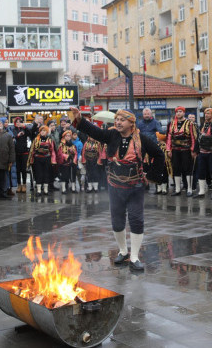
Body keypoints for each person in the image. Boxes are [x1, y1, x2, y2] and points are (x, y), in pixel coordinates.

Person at [69, 106, 165, 272]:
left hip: (135, 186)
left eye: (122, 120)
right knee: (117, 220)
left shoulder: (142, 138)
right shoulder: (111, 134)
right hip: (115, 185)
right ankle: (122, 251)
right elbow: (94, 131)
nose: (118, 122)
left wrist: (150, 175)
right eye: (117, 120)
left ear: (131, 123)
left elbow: (159, 154)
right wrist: (80, 118)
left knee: (136, 220)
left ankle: (134, 257)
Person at [167, 106, 197, 196]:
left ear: (184, 113)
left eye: (180, 111)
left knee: (187, 169)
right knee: (176, 169)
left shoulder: (190, 123)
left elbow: (193, 137)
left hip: (186, 149)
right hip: (175, 150)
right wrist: (168, 149)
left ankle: (189, 189)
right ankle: (177, 189)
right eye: (177, 112)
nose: (178, 113)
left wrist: (193, 150)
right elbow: (169, 137)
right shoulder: (172, 123)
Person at [27, 125, 56, 196]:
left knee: (46, 174)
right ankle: (39, 190)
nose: (43, 132)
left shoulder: (50, 140)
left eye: (44, 131)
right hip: (37, 159)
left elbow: (52, 151)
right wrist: (30, 160)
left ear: (47, 132)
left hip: (47, 158)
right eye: (41, 131)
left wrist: (53, 160)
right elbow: (32, 150)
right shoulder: (36, 140)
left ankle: (46, 190)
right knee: (38, 174)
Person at [0, 120, 15, 199]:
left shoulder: (8, 135)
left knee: (4, 178)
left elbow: (12, 149)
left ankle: (3, 192)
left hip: (5, 160)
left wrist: (11, 160)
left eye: (0, 123)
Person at [82, 120, 105, 192]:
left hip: (95, 161)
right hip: (88, 161)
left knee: (95, 174)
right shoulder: (86, 143)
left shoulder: (98, 143)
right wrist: (84, 160)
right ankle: (90, 187)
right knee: (89, 174)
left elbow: (100, 152)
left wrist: (99, 161)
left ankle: (95, 187)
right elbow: (83, 152)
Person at [13, 117, 31, 194]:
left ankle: (24, 185)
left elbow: (29, 134)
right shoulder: (14, 129)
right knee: (17, 170)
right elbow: (13, 137)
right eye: (17, 122)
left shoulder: (24, 129)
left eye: (19, 122)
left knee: (24, 169)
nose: (18, 123)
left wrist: (24, 127)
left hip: (24, 152)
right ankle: (19, 185)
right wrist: (18, 135)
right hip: (16, 152)